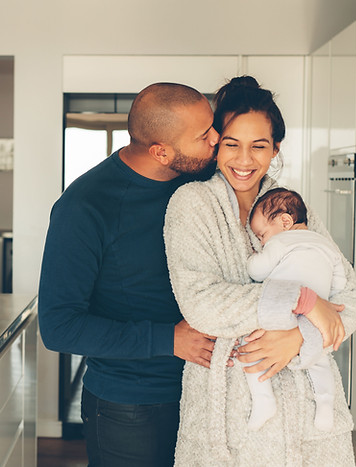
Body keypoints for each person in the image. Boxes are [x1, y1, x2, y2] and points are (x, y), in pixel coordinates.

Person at [164, 76, 356, 466]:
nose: (243, 159)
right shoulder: (191, 205)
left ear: (275, 150)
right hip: (230, 416)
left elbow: (350, 301)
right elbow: (202, 303)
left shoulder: (292, 210)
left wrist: (300, 337)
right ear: (215, 144)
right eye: (231, 144)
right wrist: (306, 303)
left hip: (310, 417)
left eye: (259, 146)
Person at [38, 82, 221, 467]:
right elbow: (58, 326)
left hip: (207, 392)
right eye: (204, 135)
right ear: (161, 151)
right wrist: (168, 339)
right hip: (130, 408)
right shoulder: (83, 207)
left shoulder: (197, 181)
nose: (216, 139)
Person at [244, 187, 347, 432]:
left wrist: (252, 258)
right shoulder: (326, 245)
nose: (262, 241)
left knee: (249, 348)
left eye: (262, 235)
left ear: (285, 221)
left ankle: (263, 400)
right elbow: (341, 282)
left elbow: (257, 271)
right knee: (320, 361)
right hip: (315, 318)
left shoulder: (280, 242)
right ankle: (325, 405)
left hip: (284, 308)